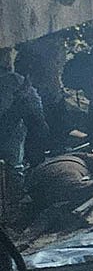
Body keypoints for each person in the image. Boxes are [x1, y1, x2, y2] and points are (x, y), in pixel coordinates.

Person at [0, 48, 48, 178]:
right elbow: (38, 118)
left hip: (13, 125)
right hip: (10, 130)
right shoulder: (15, 82)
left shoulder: (16, 81)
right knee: (13, 166)